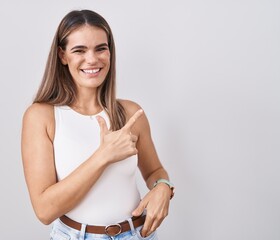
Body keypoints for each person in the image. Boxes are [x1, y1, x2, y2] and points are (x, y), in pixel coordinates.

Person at [21, 9, 174, 240]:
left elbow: (155, 171)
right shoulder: (42, 116)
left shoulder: (131, 113)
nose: (92, 59)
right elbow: (44, 211)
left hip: (136, 234)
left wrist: (163, 187)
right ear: (63, 56)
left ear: (110, 52)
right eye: (79, 50)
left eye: (100, 48)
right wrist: (103, 156)